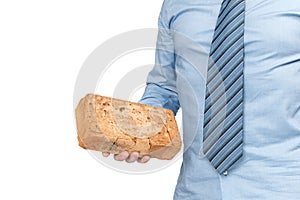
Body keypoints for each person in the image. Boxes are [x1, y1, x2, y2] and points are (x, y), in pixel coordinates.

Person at [103, 0, 300, 199]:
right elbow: (165, 86)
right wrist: (139, 131)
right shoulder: (176, 4)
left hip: (283, 187)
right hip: (198, 189)